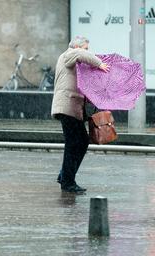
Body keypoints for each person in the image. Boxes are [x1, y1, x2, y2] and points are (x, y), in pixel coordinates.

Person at [51, 36, 109, 193]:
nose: (87, 52)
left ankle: (65, 176)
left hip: (72, 108)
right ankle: (67, 182)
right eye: (85, 48)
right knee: (74, 144)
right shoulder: (69, 54)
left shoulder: (73, 60)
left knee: (81, 141)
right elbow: (80, 54)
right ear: (76, 46)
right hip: (67, 107)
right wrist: (99, 63)